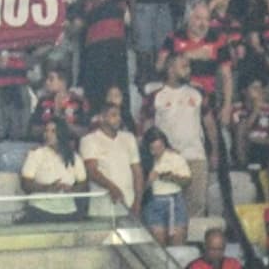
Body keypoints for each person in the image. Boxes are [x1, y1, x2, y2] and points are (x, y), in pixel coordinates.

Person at [141, 53, 219, 218]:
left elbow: (210, 125)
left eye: (189, 66)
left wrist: (214, 153)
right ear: (170, 69)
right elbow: (146, 129)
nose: (188, 70)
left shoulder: (197, 93)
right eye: (183, 66)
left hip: (196, 157)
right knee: (167, 205)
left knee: (196, 205)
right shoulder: (155, 96)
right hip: (167, 160)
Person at [80, 104, 143, 218]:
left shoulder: (129, 138)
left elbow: (137, 171)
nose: (118, 118)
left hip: (129, 203)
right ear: (102, 118)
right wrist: (112, 188)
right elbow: (92, 171)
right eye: (113, 115)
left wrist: (138, 201)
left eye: (119, 115)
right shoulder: (89, 140)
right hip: (102, 206)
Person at [20, 118, 87, 223]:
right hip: (40, 210)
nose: (48, 134)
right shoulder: (36, 154)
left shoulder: (74, 157)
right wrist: (47, 188)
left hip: (68, 211)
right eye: (46, 131)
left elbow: (83, 184)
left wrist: (72, 190)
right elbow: (25, 184)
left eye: (53, 131)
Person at [140, 126, 191, 246]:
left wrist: (171, 177)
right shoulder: (143, 161)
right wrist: (149, 180)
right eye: (153, 149)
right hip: (153, 202)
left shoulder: (175, 158)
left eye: (160, 147)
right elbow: (139, 190)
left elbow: (188, 181)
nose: (157, 152)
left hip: (175, 201)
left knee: (177, 245)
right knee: (159, 248)